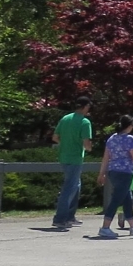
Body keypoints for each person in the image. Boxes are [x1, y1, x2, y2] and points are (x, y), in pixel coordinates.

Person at [95, 116, 133, 240]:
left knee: (127, 197)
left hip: (113, 172)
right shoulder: (129, 139)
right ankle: (105, 227)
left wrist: (101, 173)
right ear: (129, 126)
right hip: (125, 172)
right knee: (116, 199)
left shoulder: (112, 138)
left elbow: (106, 157)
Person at [51, 94, 93, 229]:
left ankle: (70, 216)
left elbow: (55, 137)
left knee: (76, 186)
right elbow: (86, 143)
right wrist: (89, 148)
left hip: (64, 157)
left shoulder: (65, 118)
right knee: (69, 188)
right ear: (85, 106)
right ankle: (60, 218)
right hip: (75, 158)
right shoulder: (85, 122)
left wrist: (65, 144)